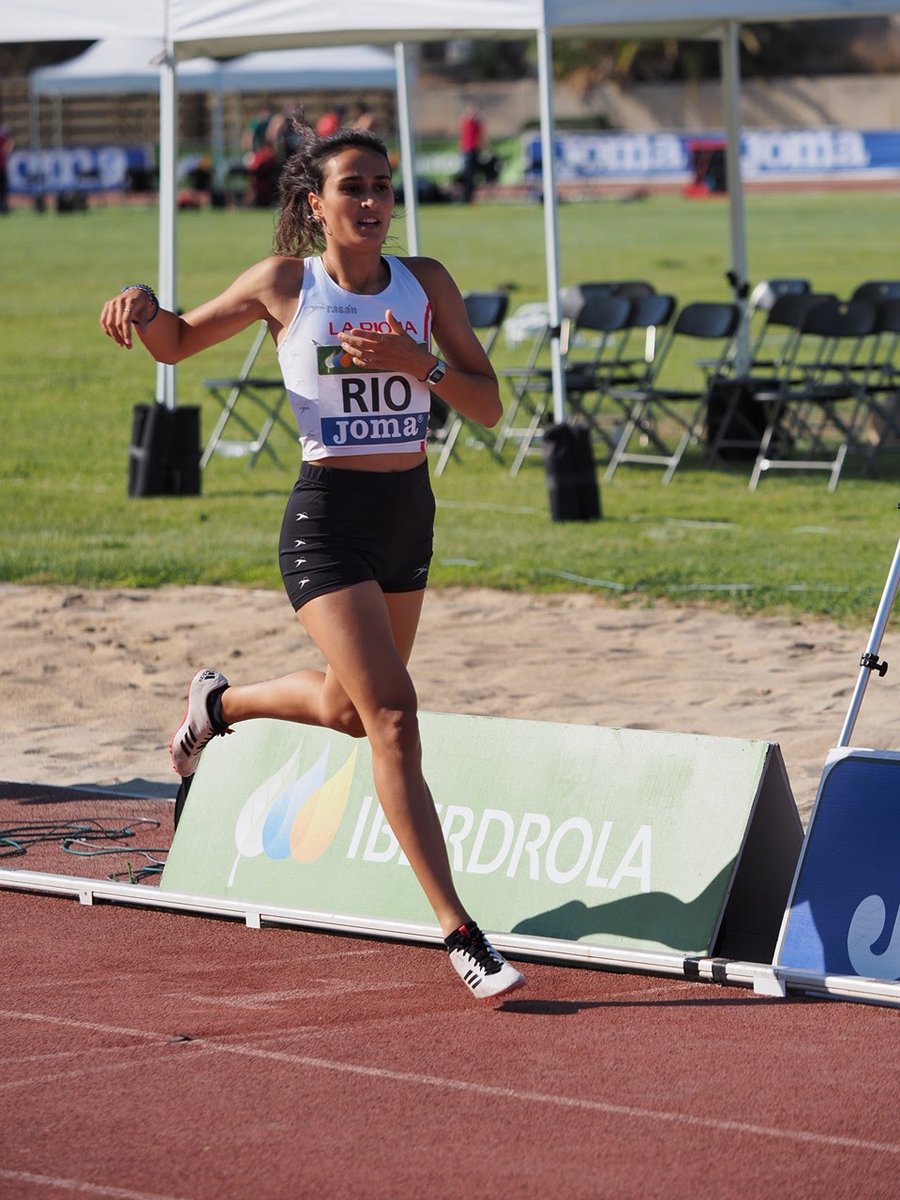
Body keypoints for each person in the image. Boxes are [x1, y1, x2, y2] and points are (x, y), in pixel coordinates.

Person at [99, 123, 525, 1003]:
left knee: (346, 711)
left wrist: (419, 363)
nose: (371, 202)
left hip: (408, 515)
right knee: (394, 716)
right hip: (326, 523)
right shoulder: (286, 284)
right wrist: (144, 302)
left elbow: (487, 405)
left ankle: (217, 705)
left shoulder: (426, 282)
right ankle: (461, 933)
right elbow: (176, 342)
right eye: (353, 187)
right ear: (314, 205)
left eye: (383, 186)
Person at [458, 103, 484, 204]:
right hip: (467, 150)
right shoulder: (468, 122)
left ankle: (470, 196)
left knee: (472, 176)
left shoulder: (477, 124)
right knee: (467, 175)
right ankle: (466, 196)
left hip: (474, 151)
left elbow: (480, 136)